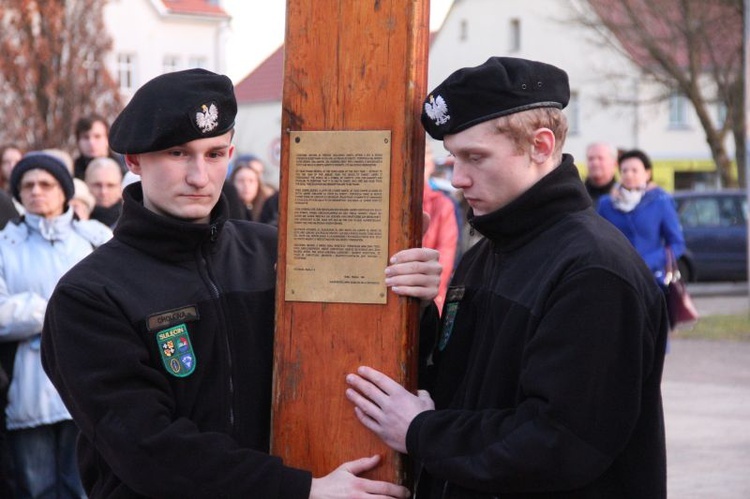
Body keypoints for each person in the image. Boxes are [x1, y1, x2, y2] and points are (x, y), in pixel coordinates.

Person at [41, 68, 439, 498]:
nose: (199, 176)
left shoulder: (277, 254)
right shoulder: (89, 294)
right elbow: (147, 448)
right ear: (134, 160)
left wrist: (412, 299)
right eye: (178, 154)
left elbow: (371, 349)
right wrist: (297, 490)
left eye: (214, 155)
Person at [345, 57, 669, 498]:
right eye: (454, 158)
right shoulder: (486, 253)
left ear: (540, 145)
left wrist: (422, 430)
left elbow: (560, 442)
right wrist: (416, 311)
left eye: (475, 157)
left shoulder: (594, 270)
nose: (457, 178)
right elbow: (460, 388)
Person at [0, 152, 112, 498]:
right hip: (28, 389)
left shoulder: (93, 241)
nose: (37, 192)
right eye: (28, 185)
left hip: (86, 384)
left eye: (46, 184)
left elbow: (112, 306)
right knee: (36, 487)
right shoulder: (5, 246)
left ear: (64, 191)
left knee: (86, 485)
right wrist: (56, 310)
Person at [597, 149, 686, 304]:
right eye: (624, 170)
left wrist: (648, 262)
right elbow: (598, 240)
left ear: (647, 173)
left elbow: (677, 244)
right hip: (616, 280)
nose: (629, 175)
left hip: (652, 282)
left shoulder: (660, 202)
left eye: (634, 170)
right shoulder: (607, 204)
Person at [422, 143, 458, 312]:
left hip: (428, 299)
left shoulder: (442, 204)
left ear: (430, 166)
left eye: (425, 164)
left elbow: (444, 260)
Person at [72, 115, 127, 180]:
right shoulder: (72, 172)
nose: (91, 143)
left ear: (107, 139)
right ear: (78, 141)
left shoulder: (124, 169)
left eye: (97, 136)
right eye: (86, 137)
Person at [228, 156, 272, 221]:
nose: (246, 185)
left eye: (251, 181)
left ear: (258, 184)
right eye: (241, 181)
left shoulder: (268, 209)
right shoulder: (227, 212)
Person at [84, 157, 124, 227]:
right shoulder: (72, 220)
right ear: (86, 184)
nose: (103, 192)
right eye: (97, 185)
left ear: (120, 187)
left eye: (110, 186)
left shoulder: (131, 221)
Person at [584, 141, 618, 205]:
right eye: (590, 159)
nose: (595, 163)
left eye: (600, 158)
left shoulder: (624, 196)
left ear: (614, 163)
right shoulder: (577, 194)